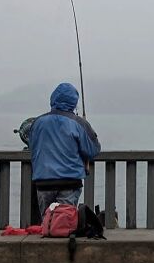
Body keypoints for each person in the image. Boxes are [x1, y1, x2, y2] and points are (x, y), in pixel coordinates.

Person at [30, 82, 101, 216]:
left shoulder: (37, 122)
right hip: (69, 182)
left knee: (48, 222)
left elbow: (32, 146)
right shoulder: (79, 123)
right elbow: (93, 150)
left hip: (43, 181)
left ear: (53, 99)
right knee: (63, 224)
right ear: (74, 103)